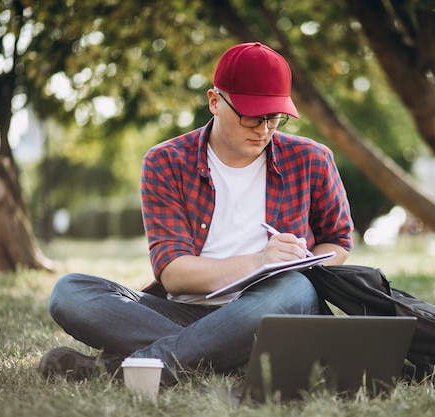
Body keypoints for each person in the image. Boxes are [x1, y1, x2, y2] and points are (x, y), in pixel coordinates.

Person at [39, 42, 354, 383]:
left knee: (296, 289)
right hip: (182, 313)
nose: (263, 130)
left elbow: (337, 240)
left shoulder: (312, 159)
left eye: (274, 117)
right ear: (215, 101)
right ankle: (226, 355)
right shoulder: (166, 162)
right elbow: (173, 273)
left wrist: (301, 263)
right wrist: (261, 260)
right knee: (71, 292)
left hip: (270, 308)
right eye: (251, 116)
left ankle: (132, 368)